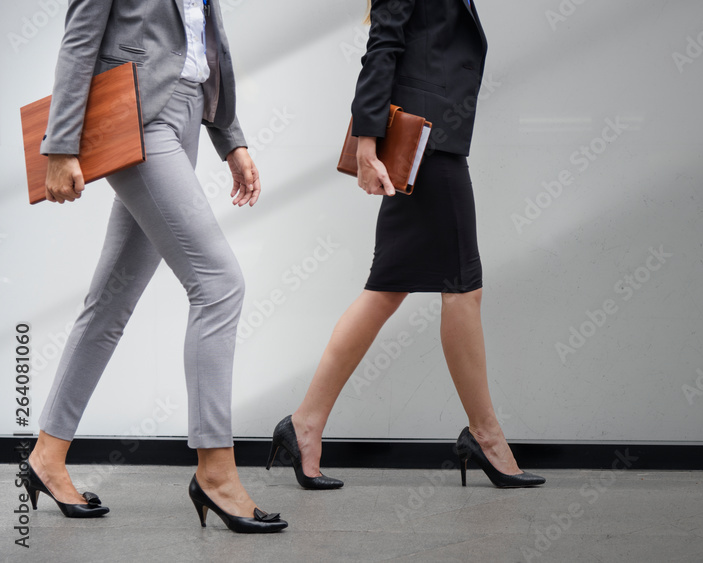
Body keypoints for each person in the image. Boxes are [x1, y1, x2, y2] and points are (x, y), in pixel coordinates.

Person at [26, 0, 286, 533]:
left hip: (188, 112)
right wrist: (60, 145)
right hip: (134, 115)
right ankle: (215, 471)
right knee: (219, 284)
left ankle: (46, 457)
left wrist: (230, 139)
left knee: (111, 302)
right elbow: (80, 39)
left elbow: (201, 44)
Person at [266, 0, 544, 490]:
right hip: (423, 140)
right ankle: (485, 436)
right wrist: (368, 143)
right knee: (460, 287)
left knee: (389, 288)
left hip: (431, 136)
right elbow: (383, 45)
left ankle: (305, 422)